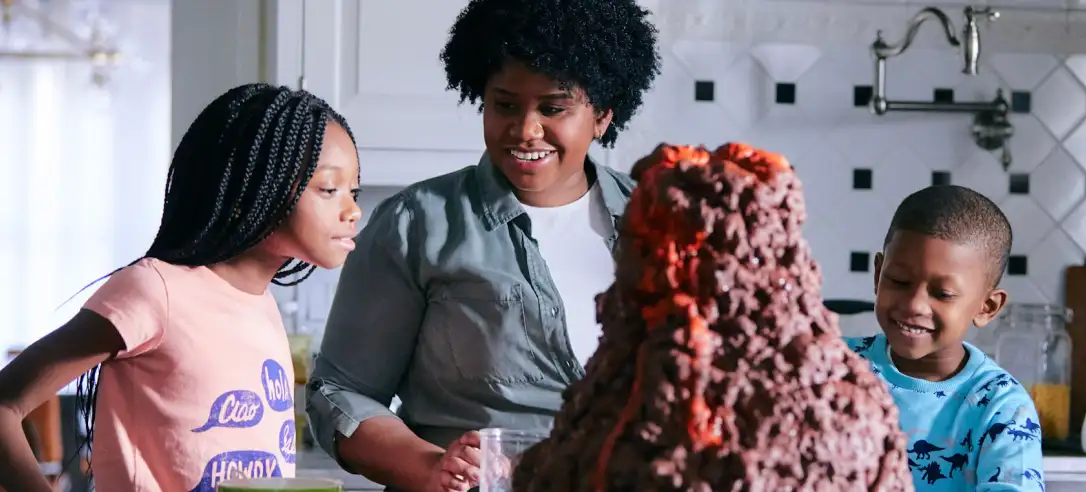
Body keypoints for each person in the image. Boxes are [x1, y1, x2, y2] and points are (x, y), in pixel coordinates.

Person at [304, 0, 661, 490]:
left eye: (553, 108)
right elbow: (338, 393)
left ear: (601, 115)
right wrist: (429, 464)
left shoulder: (660, 222)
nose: (525, 130)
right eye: (505, 105)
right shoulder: (418, 223)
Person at [0, 83, 362, 492]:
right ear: (249, 189)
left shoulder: (262, 305)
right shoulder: (154, 291)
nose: (353, 210)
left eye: (353, 191)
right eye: (329, 190)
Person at [844, 185, 1044, 491]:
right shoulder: (833, 367)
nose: (913, 305)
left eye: (943, 294)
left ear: (987, 307)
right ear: (878, 275)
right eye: (898, 281)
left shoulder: (1001, 407)